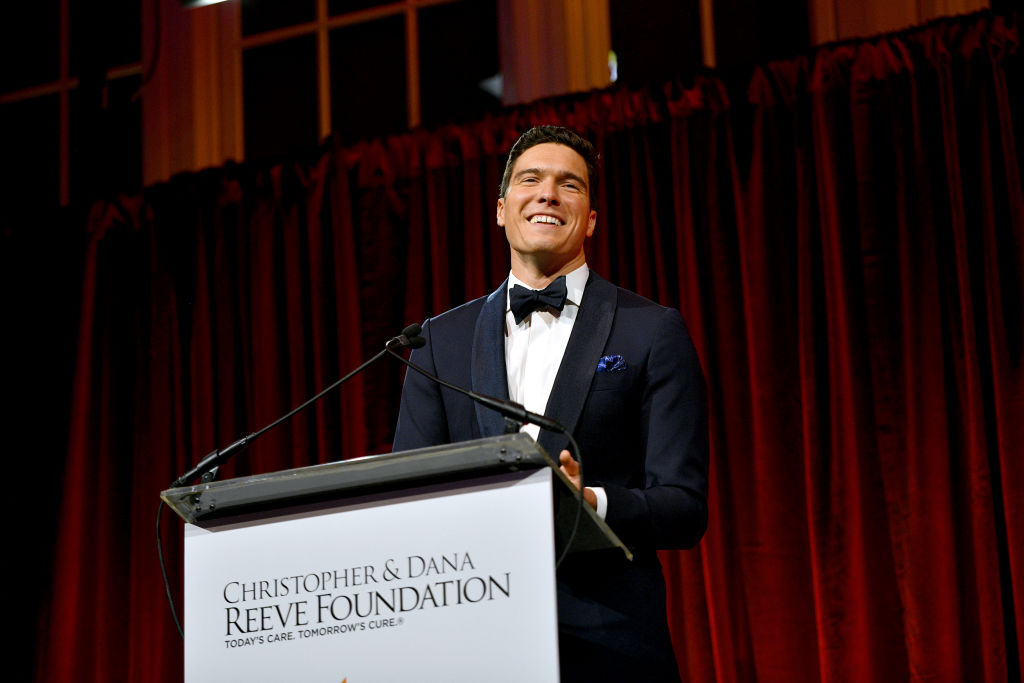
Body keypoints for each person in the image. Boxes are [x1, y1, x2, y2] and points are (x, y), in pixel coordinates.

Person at [393, 125, 709, 682]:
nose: (547, 194)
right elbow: (408, 500)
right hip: (478, 648)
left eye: (570, 185)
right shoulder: (437, 342)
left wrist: (591, 501)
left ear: (589, 218)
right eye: (530, 180)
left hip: (612, 649)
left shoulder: (653, 331)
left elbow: (684, 508)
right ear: (500, 209)